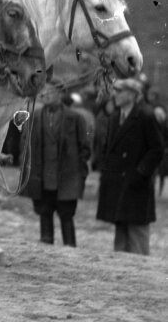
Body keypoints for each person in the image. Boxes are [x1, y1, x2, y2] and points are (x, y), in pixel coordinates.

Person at [96, 77, 165, 256]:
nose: (115, 95)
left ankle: (140, 272)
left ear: (133, 95)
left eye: (120, 91)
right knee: (120, 229)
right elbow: (108, 149)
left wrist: (141, 172)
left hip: (137, 184)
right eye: (115, 90)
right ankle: (121, 271)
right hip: (117, 183)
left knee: (137, 232)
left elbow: (157, 149)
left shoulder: (146, 116)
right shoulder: (114, 117)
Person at [22, 82, 91, 247]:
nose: (44, 95)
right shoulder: (34, 117)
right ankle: (46, 247)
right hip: (42, 176)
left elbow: (85, 148)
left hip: (66, 178)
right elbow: (25, 146)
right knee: (44, 212)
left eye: (49, 92)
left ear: (61, 94)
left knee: (66, 215)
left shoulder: (75, 118)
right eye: (42, 92)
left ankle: (70, 248)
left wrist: (79, 172)